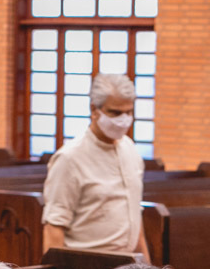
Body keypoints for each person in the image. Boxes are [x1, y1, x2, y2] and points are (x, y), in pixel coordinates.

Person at [42, 72, 149, 257]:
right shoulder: (70, 158)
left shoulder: (130, 149)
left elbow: (134, 218)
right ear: (94, 109)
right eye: (115, 112)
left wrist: (147, 267)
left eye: (128, 112)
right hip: (87, 262)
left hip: (128, 264)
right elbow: (54, 227)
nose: (123, 119)